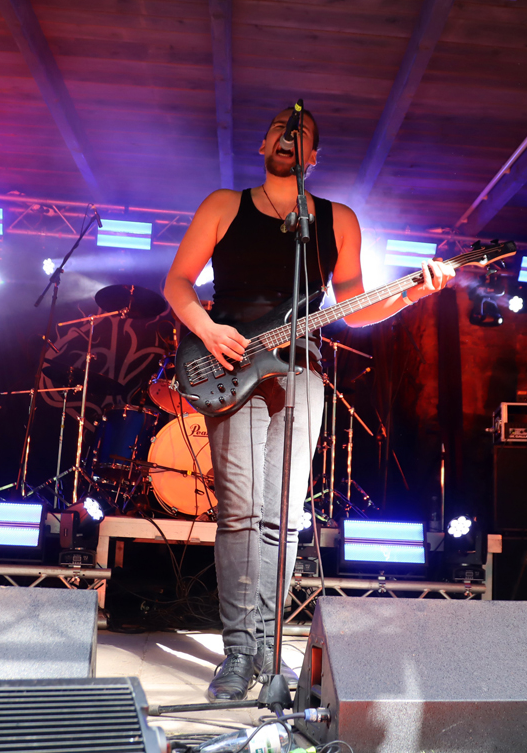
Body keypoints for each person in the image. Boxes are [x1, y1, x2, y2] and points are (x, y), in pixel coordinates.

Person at [165, 106, 456, 701]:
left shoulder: (336, 220)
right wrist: (209, 330)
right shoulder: (224, 205)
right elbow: (177, 283)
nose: (288, 136)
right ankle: (238, 652)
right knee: (240, 514)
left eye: (301, 134)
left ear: (313, 157)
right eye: (279, 127)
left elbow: (355, 307)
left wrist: (413, 294)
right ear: (263, 143)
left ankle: (270, 651)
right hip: (230, 364)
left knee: (283, 516)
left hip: (301, 371)